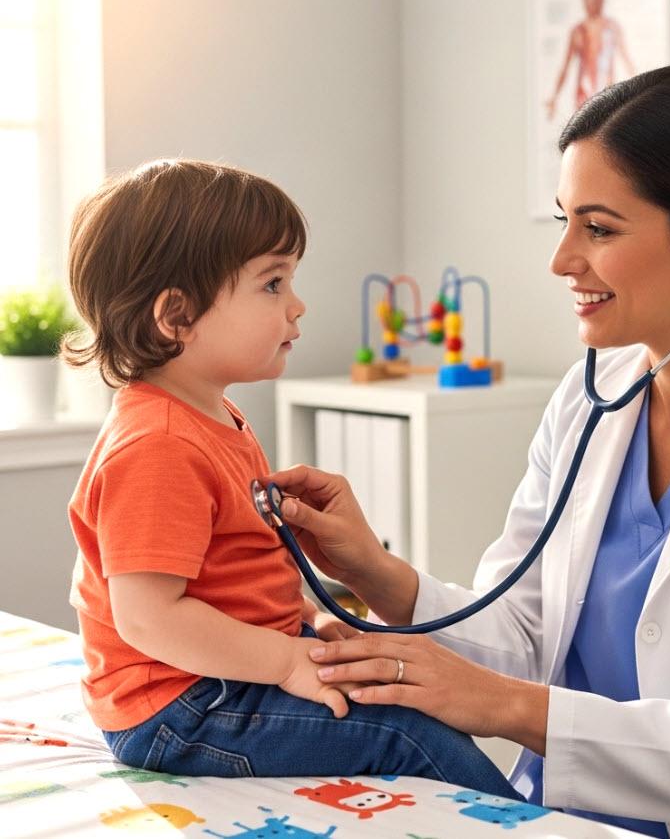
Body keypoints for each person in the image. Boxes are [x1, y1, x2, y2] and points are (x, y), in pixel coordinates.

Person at [266, 66, 670, 838]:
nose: (562, 259)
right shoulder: (590, 399)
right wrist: (374, 574)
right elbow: (527, 634)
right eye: (565, 221)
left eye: (598, 229)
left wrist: (503, 705)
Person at [61, 159, 519, 797]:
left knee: (405, 688)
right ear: (177, 316)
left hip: (214, 677)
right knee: (408, 731)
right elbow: (148, 620)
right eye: (273, 284)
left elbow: (235, 576)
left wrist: (306, 623)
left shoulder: (213, 418)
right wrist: (284, 660)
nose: (298, 306)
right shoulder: (157, 445)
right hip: (177, 706)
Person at [545, 0, 635, 120]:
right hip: (583, 93)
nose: (592, 3)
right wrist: (554, 96)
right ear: (584, 1)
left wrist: (640, 93)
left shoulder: (612, 27)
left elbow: (627, 60)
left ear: (602, 1)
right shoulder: (577, 31)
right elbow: (565, 66)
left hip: (608, 91)